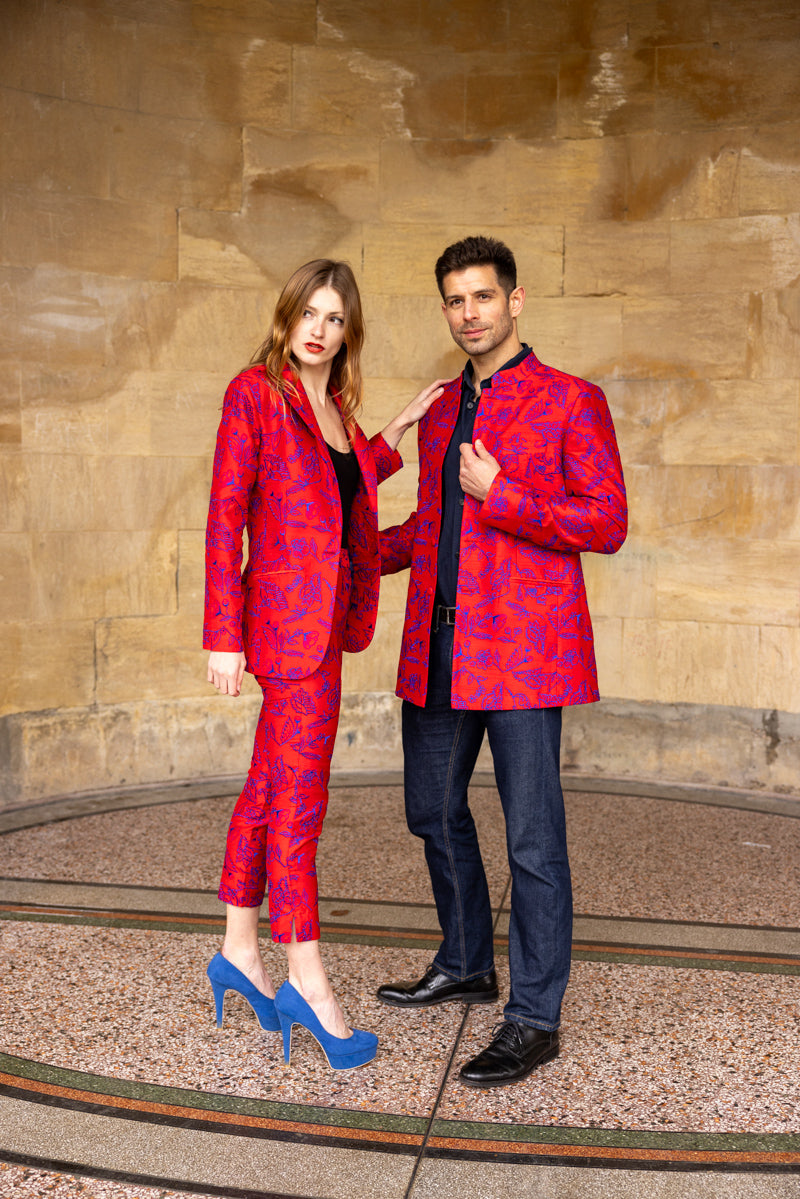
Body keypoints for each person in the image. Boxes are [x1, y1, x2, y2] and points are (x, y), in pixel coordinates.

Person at [377, 236, 627, 1087]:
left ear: (514, 301)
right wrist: (343, 552)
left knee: (532, 839)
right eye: (454, 300)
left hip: (523, 655)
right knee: (429, 810)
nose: (468, 313)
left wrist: (504, 495)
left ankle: (533, 1017)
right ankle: (466, 959)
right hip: (438, 651)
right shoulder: (443, 407)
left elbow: (606, 521)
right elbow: (429, 530)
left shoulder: (571, 401)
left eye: (482, 297)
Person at [203, 258, 443, 1071]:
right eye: (308, 312)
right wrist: (221, 633)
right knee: (302, 805)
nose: (318, 328)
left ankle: (238, 947)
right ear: (286, 316)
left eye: (335, 318)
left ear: (349, 331)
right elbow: (226, 515)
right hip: (279, 629)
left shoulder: (336, 407)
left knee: (270, 787)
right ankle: (306, 976)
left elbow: (329, 496)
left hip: (323, 628)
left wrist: (396, 435)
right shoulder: (255, 392)